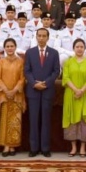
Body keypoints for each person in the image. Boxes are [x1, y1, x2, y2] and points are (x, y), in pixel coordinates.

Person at [24, 28, 61, 157]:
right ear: (36, 37)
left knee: (46, 120)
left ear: (47, 37)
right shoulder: (30, 53)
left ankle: (45, 148)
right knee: (33, 120)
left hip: (47, 90)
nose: (41, 38)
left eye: (43, 36)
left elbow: (56, 71)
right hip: (33, 91)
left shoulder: (54, 53)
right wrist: (34, 83)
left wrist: (45, 83)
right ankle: (34, 148)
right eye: (39, 36)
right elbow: (27, 71)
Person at [62, 38, 86, 157]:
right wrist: (76, 90)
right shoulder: (68, 62)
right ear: (73, 48)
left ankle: (83, 147)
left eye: (81, 47)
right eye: (77, 47)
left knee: (83, 120)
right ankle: (73, 147)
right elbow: (65, 78)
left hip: (85, 95)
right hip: (71, 95)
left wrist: (82, 90)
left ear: (84, 48)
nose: (79, 49)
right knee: (71, 120)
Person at [0, 38, 26, 156]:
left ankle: (12, 146)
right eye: (7, 46)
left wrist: (14, 90)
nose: (9, 48)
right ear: (4, 48)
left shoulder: (20, 62)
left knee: (14, 122)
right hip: (3, 95)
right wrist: (6, 91)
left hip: (16, 95)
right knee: (4, 120)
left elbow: (22, 78)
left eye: (12, 46)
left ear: (15, 47)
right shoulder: (1, 62)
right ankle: (6, 146)